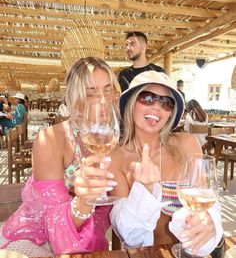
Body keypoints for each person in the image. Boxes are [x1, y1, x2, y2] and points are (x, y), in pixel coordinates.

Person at [0, 57, 121, 256]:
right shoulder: (51, 140)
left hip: (89, 242)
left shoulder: (113, 141)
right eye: (90, 93)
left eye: (108, 91)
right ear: (74, 98)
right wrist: (83, 201)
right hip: (35, 240)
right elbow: (52, 224)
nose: (102, 100)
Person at [109, 71, 223, 257]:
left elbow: (207, 199)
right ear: (131, 103)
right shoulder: (116, 157)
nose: (156, 107)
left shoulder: (187, 144)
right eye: (147, 98)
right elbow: (128, 234)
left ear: (171, 113)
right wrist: (144, 189)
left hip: (194, 252)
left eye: (166, 102)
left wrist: (210, 221)